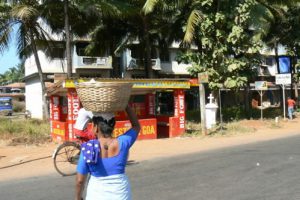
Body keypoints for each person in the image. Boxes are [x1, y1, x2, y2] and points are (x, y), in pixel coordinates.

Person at [75, 105, 141, 200]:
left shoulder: (88, 148)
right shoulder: (123, 142)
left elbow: (80, 181)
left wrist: (78, 198)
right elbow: (136, 126)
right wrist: (126, 105)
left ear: (96, 127)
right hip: (121, 195)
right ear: (113, 125)